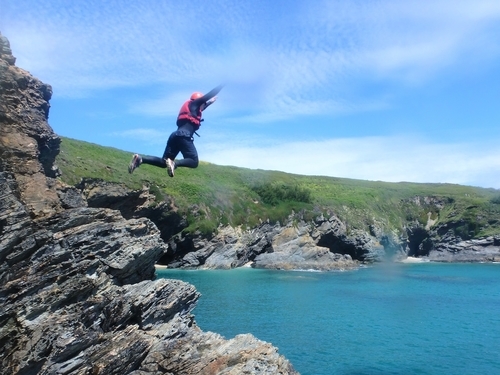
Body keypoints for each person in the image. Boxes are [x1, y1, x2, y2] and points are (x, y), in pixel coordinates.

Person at [128, 84, 224, 177]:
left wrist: (211, 102)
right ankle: (175, 164)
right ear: (198, 101)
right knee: (194, 161)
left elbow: (204, 106)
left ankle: (140, 159)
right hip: (184, 136)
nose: (203, 106)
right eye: (202, 103)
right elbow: (210, 94)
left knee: (164, 162)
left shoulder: (192, 108)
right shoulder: (195, 104)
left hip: (175, 136)